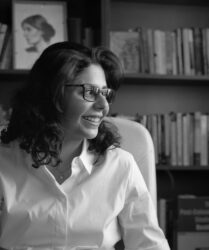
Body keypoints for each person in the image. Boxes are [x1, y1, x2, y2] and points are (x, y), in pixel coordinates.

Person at [0, 42, 170, 250]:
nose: (103, 106)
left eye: (105, 93)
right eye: (90, 92)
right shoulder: (4, 162)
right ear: (52, 93)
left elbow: (150, 245)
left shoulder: (120, 165)